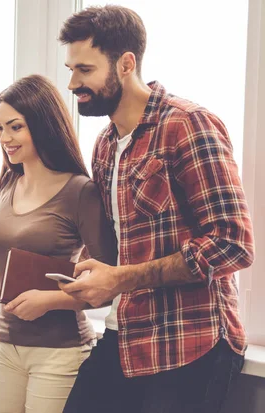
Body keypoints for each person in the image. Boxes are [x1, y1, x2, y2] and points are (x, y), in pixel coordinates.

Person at [58, 6, 255, 413]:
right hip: (126, 334)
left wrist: (120, 280)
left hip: (191, 342)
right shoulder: (106, 146)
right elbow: (124, 248)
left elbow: (233, 244)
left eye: (85, 69)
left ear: (126, 63)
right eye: (71, 69)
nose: (73, 82)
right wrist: (90, 275)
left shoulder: (188, 125)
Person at [0, 74, 117, 413]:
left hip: (59, 353)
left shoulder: (81, 191)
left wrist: (50, 301)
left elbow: (108, 286)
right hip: (3, 348)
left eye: (15, 127)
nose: (5, 138)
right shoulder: (8, 185)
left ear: (42, 124)